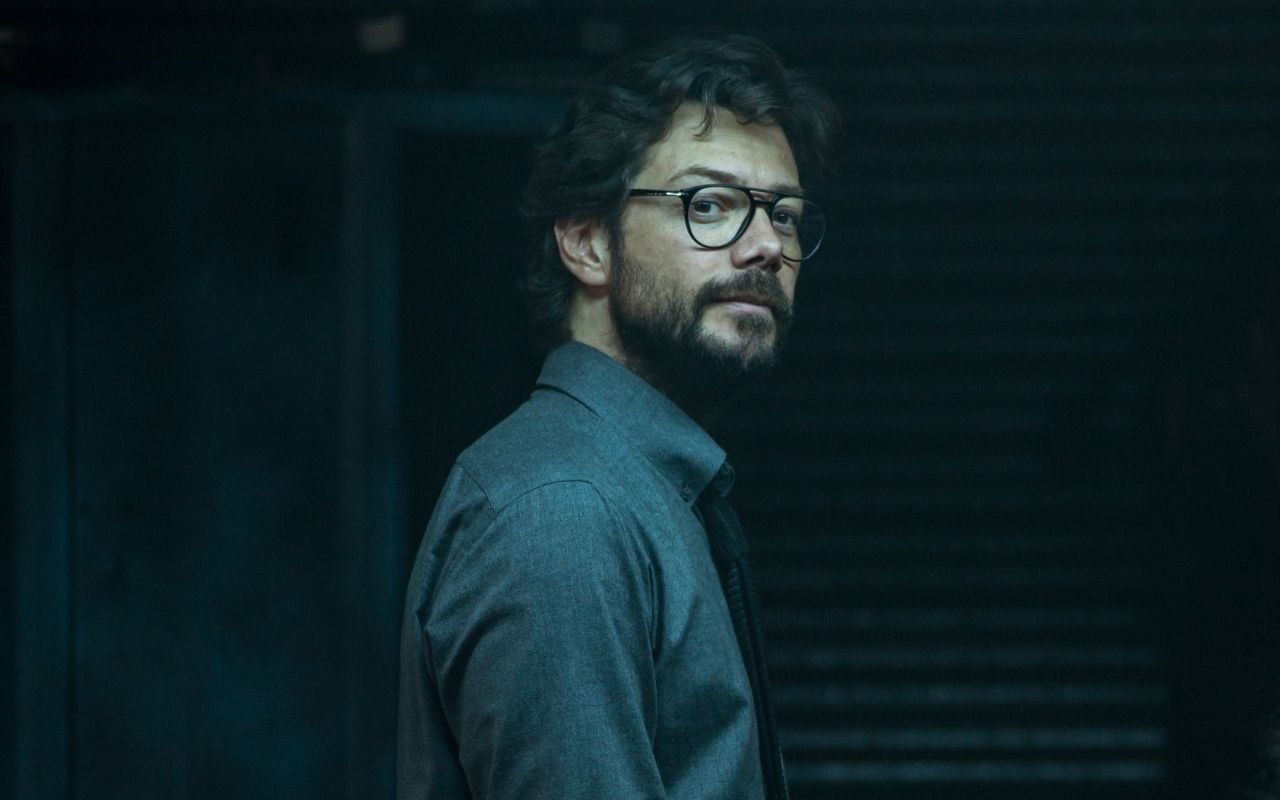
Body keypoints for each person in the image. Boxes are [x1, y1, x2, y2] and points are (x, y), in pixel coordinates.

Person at [397, 34, 840, 800]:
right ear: (587, 243)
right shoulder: (564, 513)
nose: (768, 246)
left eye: (787, 216)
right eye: (710, 205)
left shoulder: (633, 490)